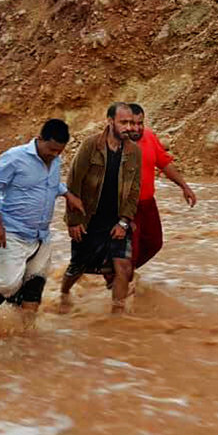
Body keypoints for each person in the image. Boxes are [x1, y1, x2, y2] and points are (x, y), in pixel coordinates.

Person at [0, 119, 84, 321]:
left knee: (34, 286)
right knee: (8, 284)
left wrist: (67, 194)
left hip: (41, 236)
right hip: (12, 232)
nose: (54, 155)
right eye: (51, 149)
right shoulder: (13, 158)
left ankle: (25, 339)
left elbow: (49, 183)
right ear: (39, 139)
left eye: (59, 152)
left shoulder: (55, 160)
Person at [60, 102, 141, 313]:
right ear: (110, 121)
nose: (129, 127)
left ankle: (117, 316)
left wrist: (124, 221)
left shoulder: (134, 152)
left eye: (132, 122)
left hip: (116, 220)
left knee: (123, 266)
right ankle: (64, 294)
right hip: (89, 218)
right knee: (77, 267)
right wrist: (74, 221)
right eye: (124, 122)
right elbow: (73, 182)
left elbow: (134, 191)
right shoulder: (91, 145)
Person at [127, 103, 197, 269]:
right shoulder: (115, 143)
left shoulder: (150, 137)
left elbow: (165, 164)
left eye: (140, 123)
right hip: (125, 206)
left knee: (154, 244)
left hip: (147, 204)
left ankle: (121, 273)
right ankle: (119, 279)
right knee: (130, 250)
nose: (137, 128)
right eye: (132, 124)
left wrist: (184, 186)